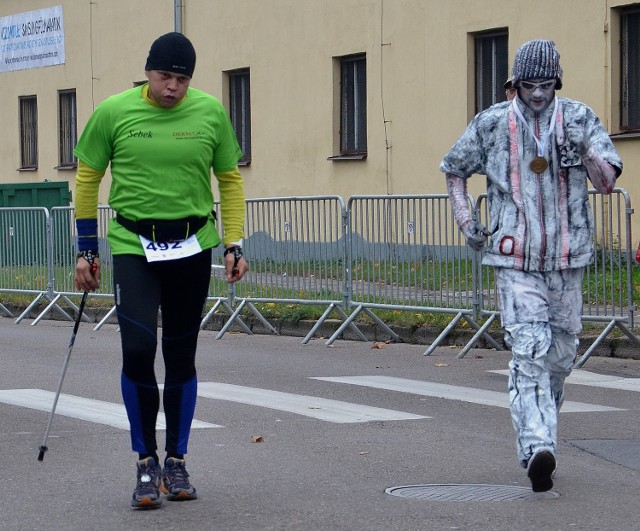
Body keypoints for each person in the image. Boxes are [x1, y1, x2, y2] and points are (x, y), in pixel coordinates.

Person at [73, 32, 248, 509]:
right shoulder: (114, 111)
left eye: (182, 78)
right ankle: (144, 462)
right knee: (137, 349)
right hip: (134, 246)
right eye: (165, 76)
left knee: (181, 355)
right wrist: (85, 250)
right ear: (148, 72)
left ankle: (177, 461)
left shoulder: (210, 112)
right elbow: (87, 176)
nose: (173, 87)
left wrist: (233, 243)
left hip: (192, 245)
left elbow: (230, 181)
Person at [440, 39, 622, 492]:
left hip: (566, 257)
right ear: (515, 83)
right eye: (528, 85)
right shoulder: (492, 123)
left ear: (556, 81)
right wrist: (465, 218)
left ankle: (543, 434)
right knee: (529, 349)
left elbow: (606, 182)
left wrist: (587, 151)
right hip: (514, 255)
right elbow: (454, 168)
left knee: (560, 355)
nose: (537, 95)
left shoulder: (580, 118)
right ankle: (538, 446)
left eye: (545, 85)